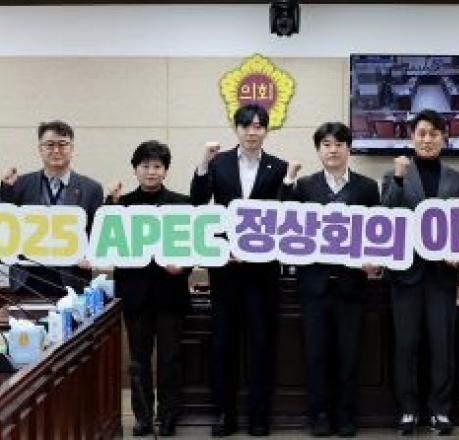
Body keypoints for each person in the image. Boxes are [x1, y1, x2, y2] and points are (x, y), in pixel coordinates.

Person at [190, 104, 288, 437]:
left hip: (263, 272)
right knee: (223, 344)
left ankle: (259, 416)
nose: (252, 132)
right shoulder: (218, 163)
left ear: (266, 130)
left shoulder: (279, 167)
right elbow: (198, 202)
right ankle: (224, 414)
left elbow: (283, 217)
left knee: (261, 344)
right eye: (246, 126)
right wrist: (203, 163)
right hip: (226, 270)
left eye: (259, 126)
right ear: (236, 129)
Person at [281, 122, 380, 437]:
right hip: (315, 286)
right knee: (316, 355)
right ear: (318, 150)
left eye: (339, 144)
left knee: (349, 356)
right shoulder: (304, 186)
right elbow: (286, 224)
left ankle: (346, 416)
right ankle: (320, 415)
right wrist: (288, 181)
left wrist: (375, 263)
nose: (333, 150)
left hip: (352, 286)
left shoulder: (367, 188)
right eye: (326, 144)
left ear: (349, 149)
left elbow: (378, 233)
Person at [381, 109, 459, 436]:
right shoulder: (394, 174)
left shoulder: (458, 179)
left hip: (442, 277)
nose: (427, 139)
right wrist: (398, 179)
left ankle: (439, 411)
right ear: (412, 137)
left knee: (441, 346)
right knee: (406, 345)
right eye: (421, 133)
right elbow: (385, 218)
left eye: (434, 134)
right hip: (405, 275)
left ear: (444, 138)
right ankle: (408, 410)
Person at [106, 140, 191, 437]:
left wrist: (184, 267)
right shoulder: (121, 204)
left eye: (157, 166)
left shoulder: (183, 204)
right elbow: (105, 241)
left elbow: (193, 247)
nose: (151, 171)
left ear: (165, 170)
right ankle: (143, 417)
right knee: (138, 361)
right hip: (135, 295)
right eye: (145, 166)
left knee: (170, 360)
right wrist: (110, 204)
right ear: (135, 169)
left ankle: (168, 416)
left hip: (171, 294)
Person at [0, 120, 103, 297]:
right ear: (40, 149)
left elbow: (97, 234)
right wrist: (4, 189)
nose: (56, 150)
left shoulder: (91, 188)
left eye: (62, 144)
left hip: (73, 279)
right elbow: (4, 224)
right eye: (49, 145)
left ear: (72, 148)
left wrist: (91, 257)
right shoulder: (19, 184)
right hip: (28, 279)